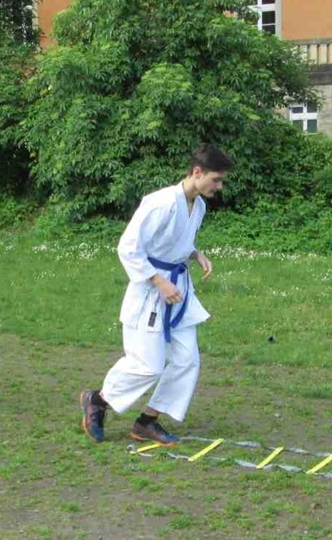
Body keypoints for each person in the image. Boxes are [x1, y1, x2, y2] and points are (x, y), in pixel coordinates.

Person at [80, 145, 234, 445]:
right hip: (151, 291)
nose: (219, 186)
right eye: (216, 179)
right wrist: (158, 280)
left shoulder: (198, 206)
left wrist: (195, 254)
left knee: (187, 360)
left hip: (178, 292)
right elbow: (128, 247)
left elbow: (174, 241)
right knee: (147, 366)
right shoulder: (160, 203)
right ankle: (97, 400)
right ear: (197, 172)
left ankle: (147, 422)